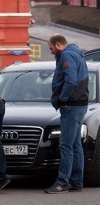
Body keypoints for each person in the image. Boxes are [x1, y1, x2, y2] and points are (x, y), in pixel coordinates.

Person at [45, 34, 89, 194]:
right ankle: (76, 181)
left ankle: (62, 182)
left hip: (71, 105)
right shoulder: (76, 53)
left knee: (65, 145)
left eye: (50, 48)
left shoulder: (67, 55)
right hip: (79, 104)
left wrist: (62, 98)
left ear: (58, 44)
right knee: (76, 145)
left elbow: (70, 80)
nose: (50, 51)